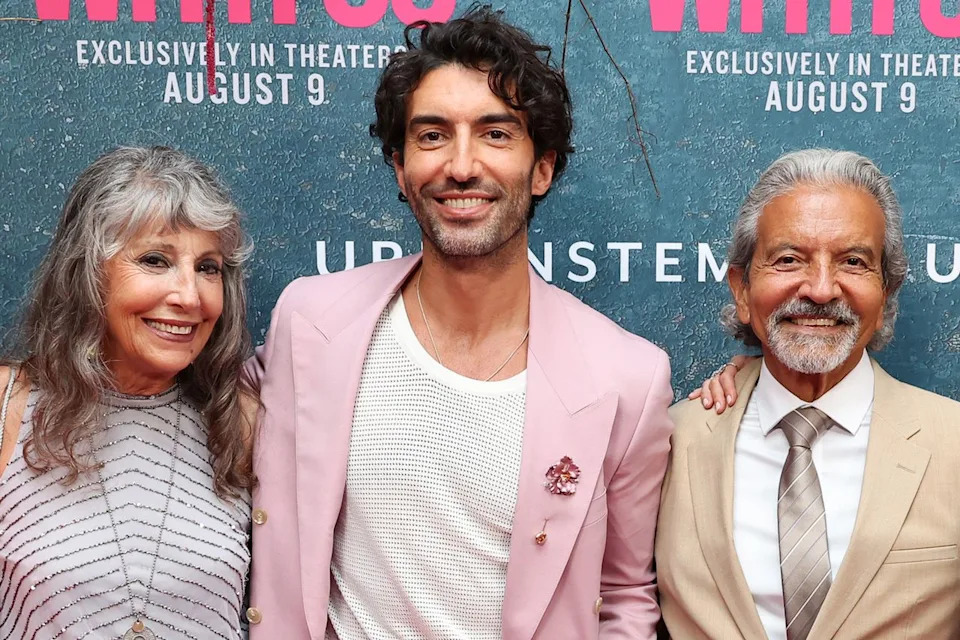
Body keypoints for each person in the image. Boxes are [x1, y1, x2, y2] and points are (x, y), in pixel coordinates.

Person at [244, 6, 674, 639]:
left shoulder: (627, 378)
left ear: (543, 167)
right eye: (432, 135)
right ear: (400, 166)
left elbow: (625, 593)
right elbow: (200, 399)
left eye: (495, 133)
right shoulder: (310, 322)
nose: (462, 165)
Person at [656, 149, 960, 639]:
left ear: (886, 292)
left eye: (853, 262)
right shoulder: (669, 443)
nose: (820, 290)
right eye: (789, 259)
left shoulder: (953, 444)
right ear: (741, 289)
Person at [0, 146, 257, 639]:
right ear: (87, 273)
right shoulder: (9, 407)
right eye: (155, 260)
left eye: (208, 268)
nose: (190, 296)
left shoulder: (240, 421)